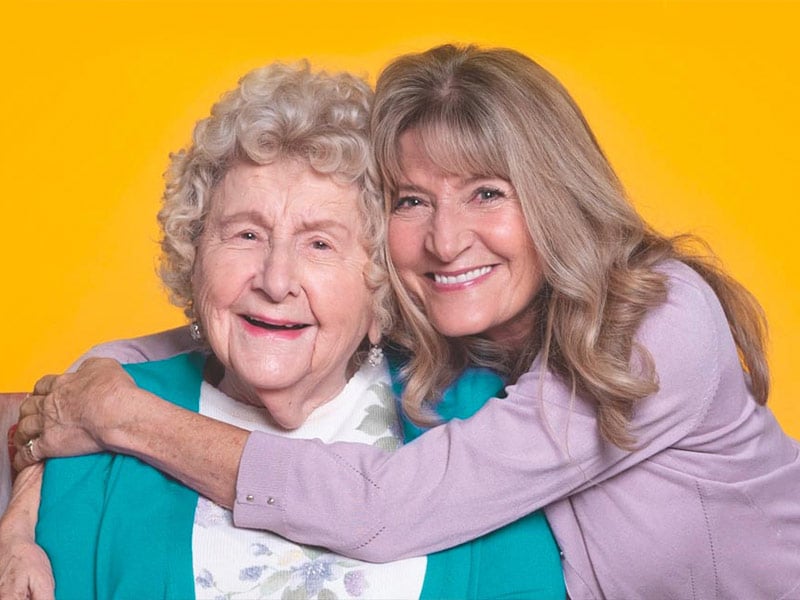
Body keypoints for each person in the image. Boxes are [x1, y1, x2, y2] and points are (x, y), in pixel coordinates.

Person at [11, 44, 800, 598]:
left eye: (487, 192)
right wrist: (98, 386)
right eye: (413, 202)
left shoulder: (653, 321)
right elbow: (228, 329)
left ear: (555, 194)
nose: (446, 238)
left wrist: (124, 415)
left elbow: (382, 507)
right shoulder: (457, 324)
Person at [0, 59, 566, 599]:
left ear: (380, 284)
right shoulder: (92, 418)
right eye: (245, 234)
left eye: (320, 243)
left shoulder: (475, 420)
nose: (275, 280)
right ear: (194, 256)